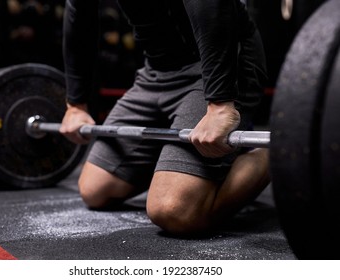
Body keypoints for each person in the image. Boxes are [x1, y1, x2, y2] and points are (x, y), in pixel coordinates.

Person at [60, 0, 270, 236]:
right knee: (95, 189)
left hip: (221, 58)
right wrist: (76, 105)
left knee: (173, 209)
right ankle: (188, 160)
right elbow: (79, 13)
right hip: (157, 71)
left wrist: (220, 103)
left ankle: (278, 155)